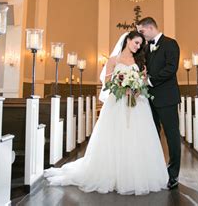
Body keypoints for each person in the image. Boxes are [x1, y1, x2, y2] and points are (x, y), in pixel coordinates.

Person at [44, 31, 168, 195]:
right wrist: (122, 87)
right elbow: (108, 83)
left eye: (140, 44)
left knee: (138, 136)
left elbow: (143, 81)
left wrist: (138, 89)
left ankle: (136, 175)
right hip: (116, 103)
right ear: (127, 40)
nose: (138, 47)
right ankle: (112, 175)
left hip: (137, 104)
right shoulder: (113, 60)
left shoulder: (139, 61)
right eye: (136, 43)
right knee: (114, 136)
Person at [136, 17, 181, 190]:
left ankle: (174, 174)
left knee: (172, 136)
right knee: (152, 135)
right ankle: (155, 170)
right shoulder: (146, 48)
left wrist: (150, 81)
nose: (141, 35)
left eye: (142, 31)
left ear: (150, 27)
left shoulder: (170, 43)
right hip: (148, 99)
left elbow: (171, 68)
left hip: (167, 98)